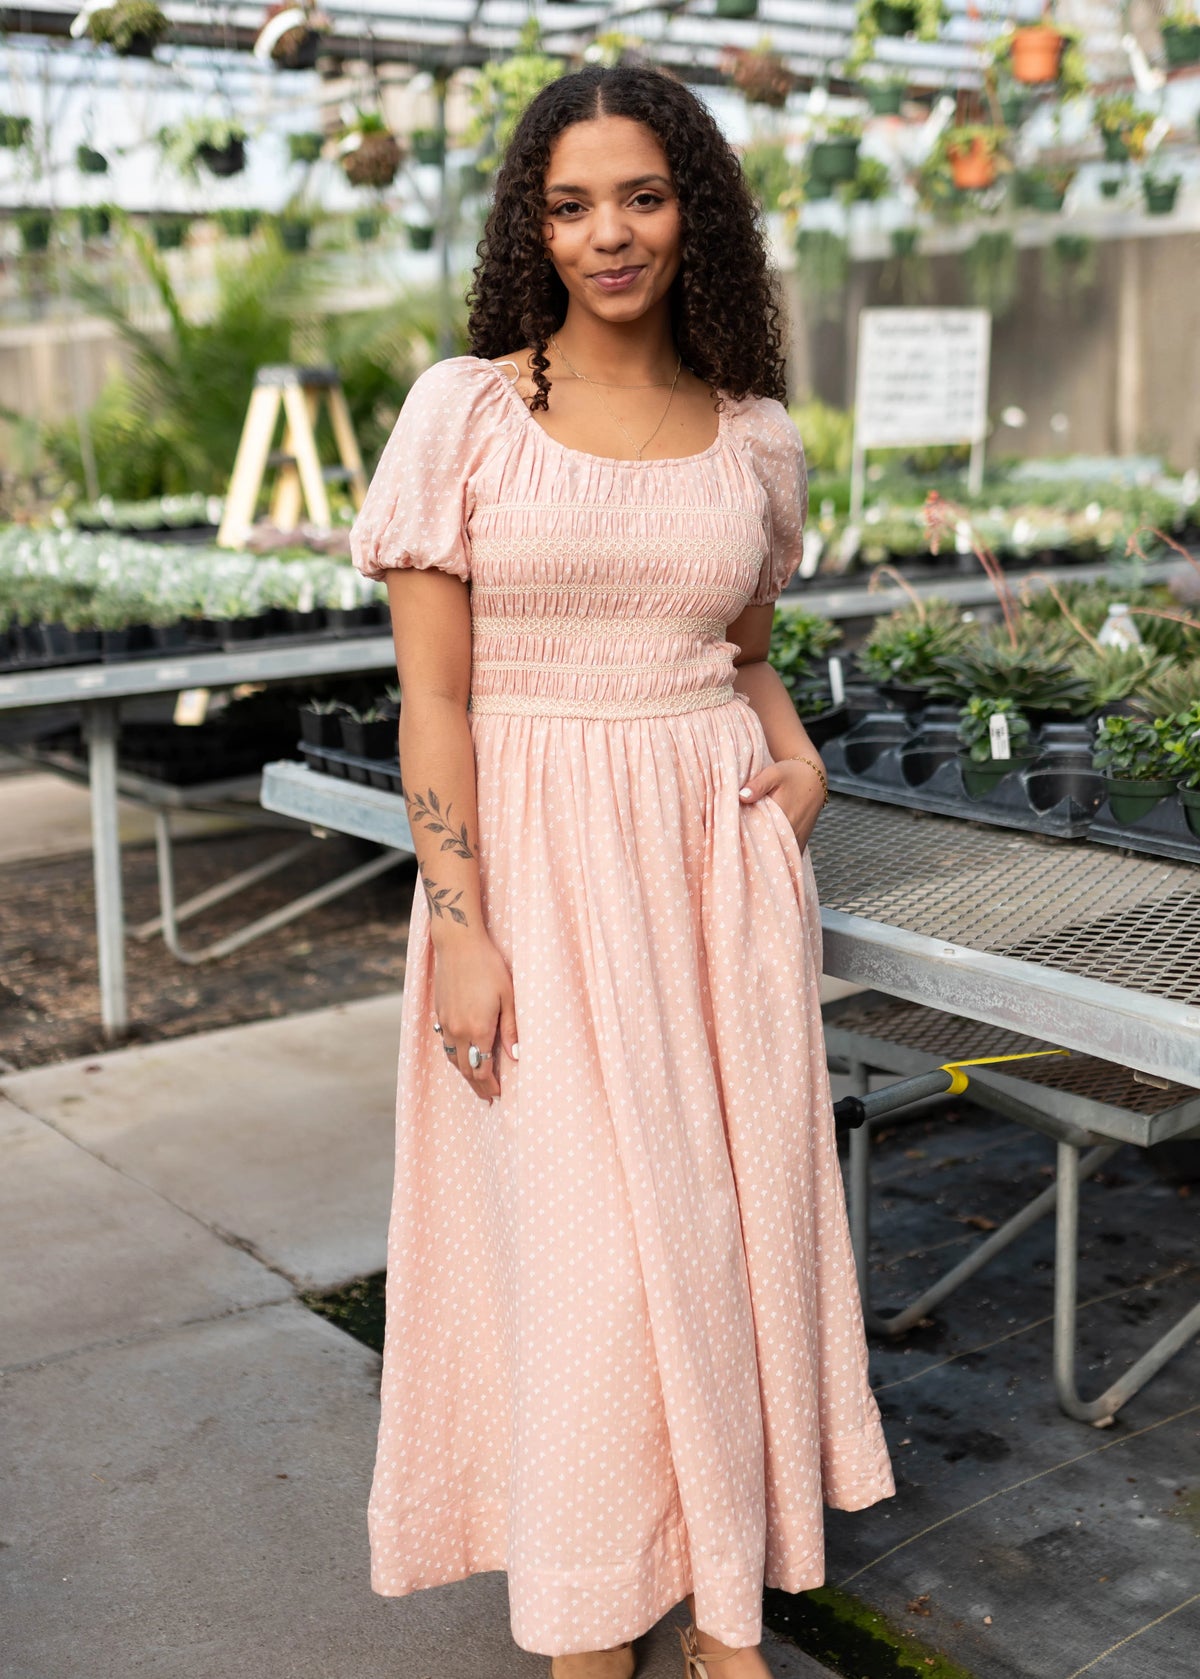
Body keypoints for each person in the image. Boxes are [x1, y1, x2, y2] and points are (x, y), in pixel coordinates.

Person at [350, 62, 895, 1679]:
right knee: (586, 1258)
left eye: (643, 196)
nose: (610, 234)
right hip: (533, 879)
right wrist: (463, 929)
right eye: (572, 203)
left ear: (696, 212)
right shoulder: (466, 411)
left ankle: (724, 1591)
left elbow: (738, 652)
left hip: (711, 881)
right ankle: (595, 1597)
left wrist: (794, 764)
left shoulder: (755, 439)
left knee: (716, 1236)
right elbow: (435, 701)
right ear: (532, 222)